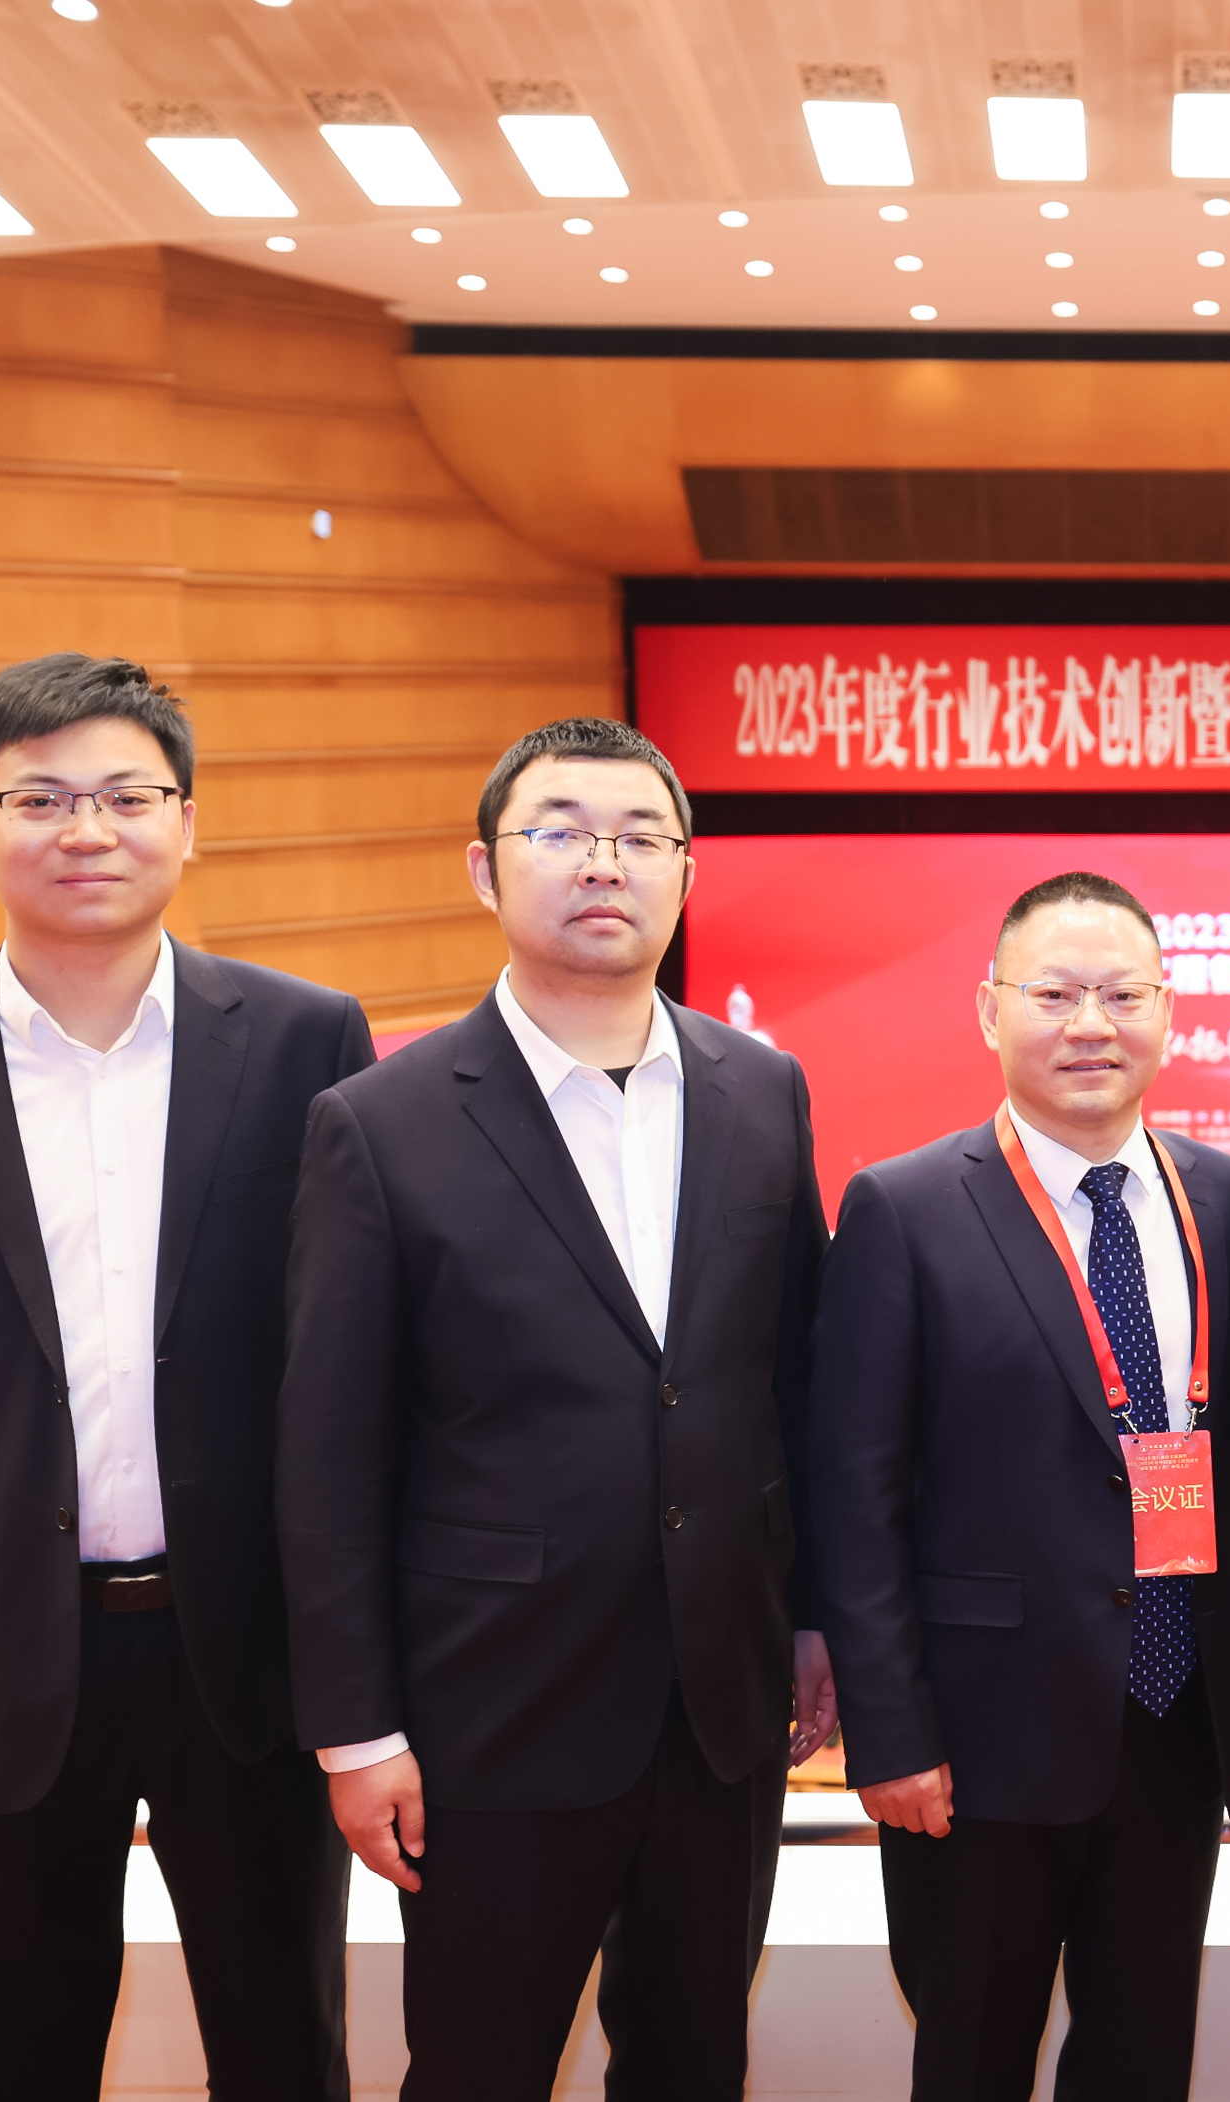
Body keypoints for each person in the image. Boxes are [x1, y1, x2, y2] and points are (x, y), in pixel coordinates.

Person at [0, 654, 365, 2099]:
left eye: (125, 796)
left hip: (250, 1653)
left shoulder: (308, 1039)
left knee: (286, 2049)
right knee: (8, 2060)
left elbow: (355, 1369)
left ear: (187, 821)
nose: (85, 829)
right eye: (38, 799)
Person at [276, 717, 834, 2099]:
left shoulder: (761, 1089)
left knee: (695, 2060)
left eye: (643, 836)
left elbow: (795, 1381)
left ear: (686, 872)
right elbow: (328, 1455)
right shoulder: (379, 1122)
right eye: (562, 831)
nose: (605, 862)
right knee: (477, 2068)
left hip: (718, 1707)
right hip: (489, 1719)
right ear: (485, 869)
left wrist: (814, 1619)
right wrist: (358, 1730)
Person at [808, 871, 1230, 2102]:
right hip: (978, 1741)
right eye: (1054, 993)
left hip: (1176, 1722)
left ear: (1167, 1010)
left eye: (1121, 994)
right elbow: (854, 1492)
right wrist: (890, 1729)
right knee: (971, 2058)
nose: (1090, 1024)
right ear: (990, 1009)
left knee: (1141, 2058)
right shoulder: (904, 1207)